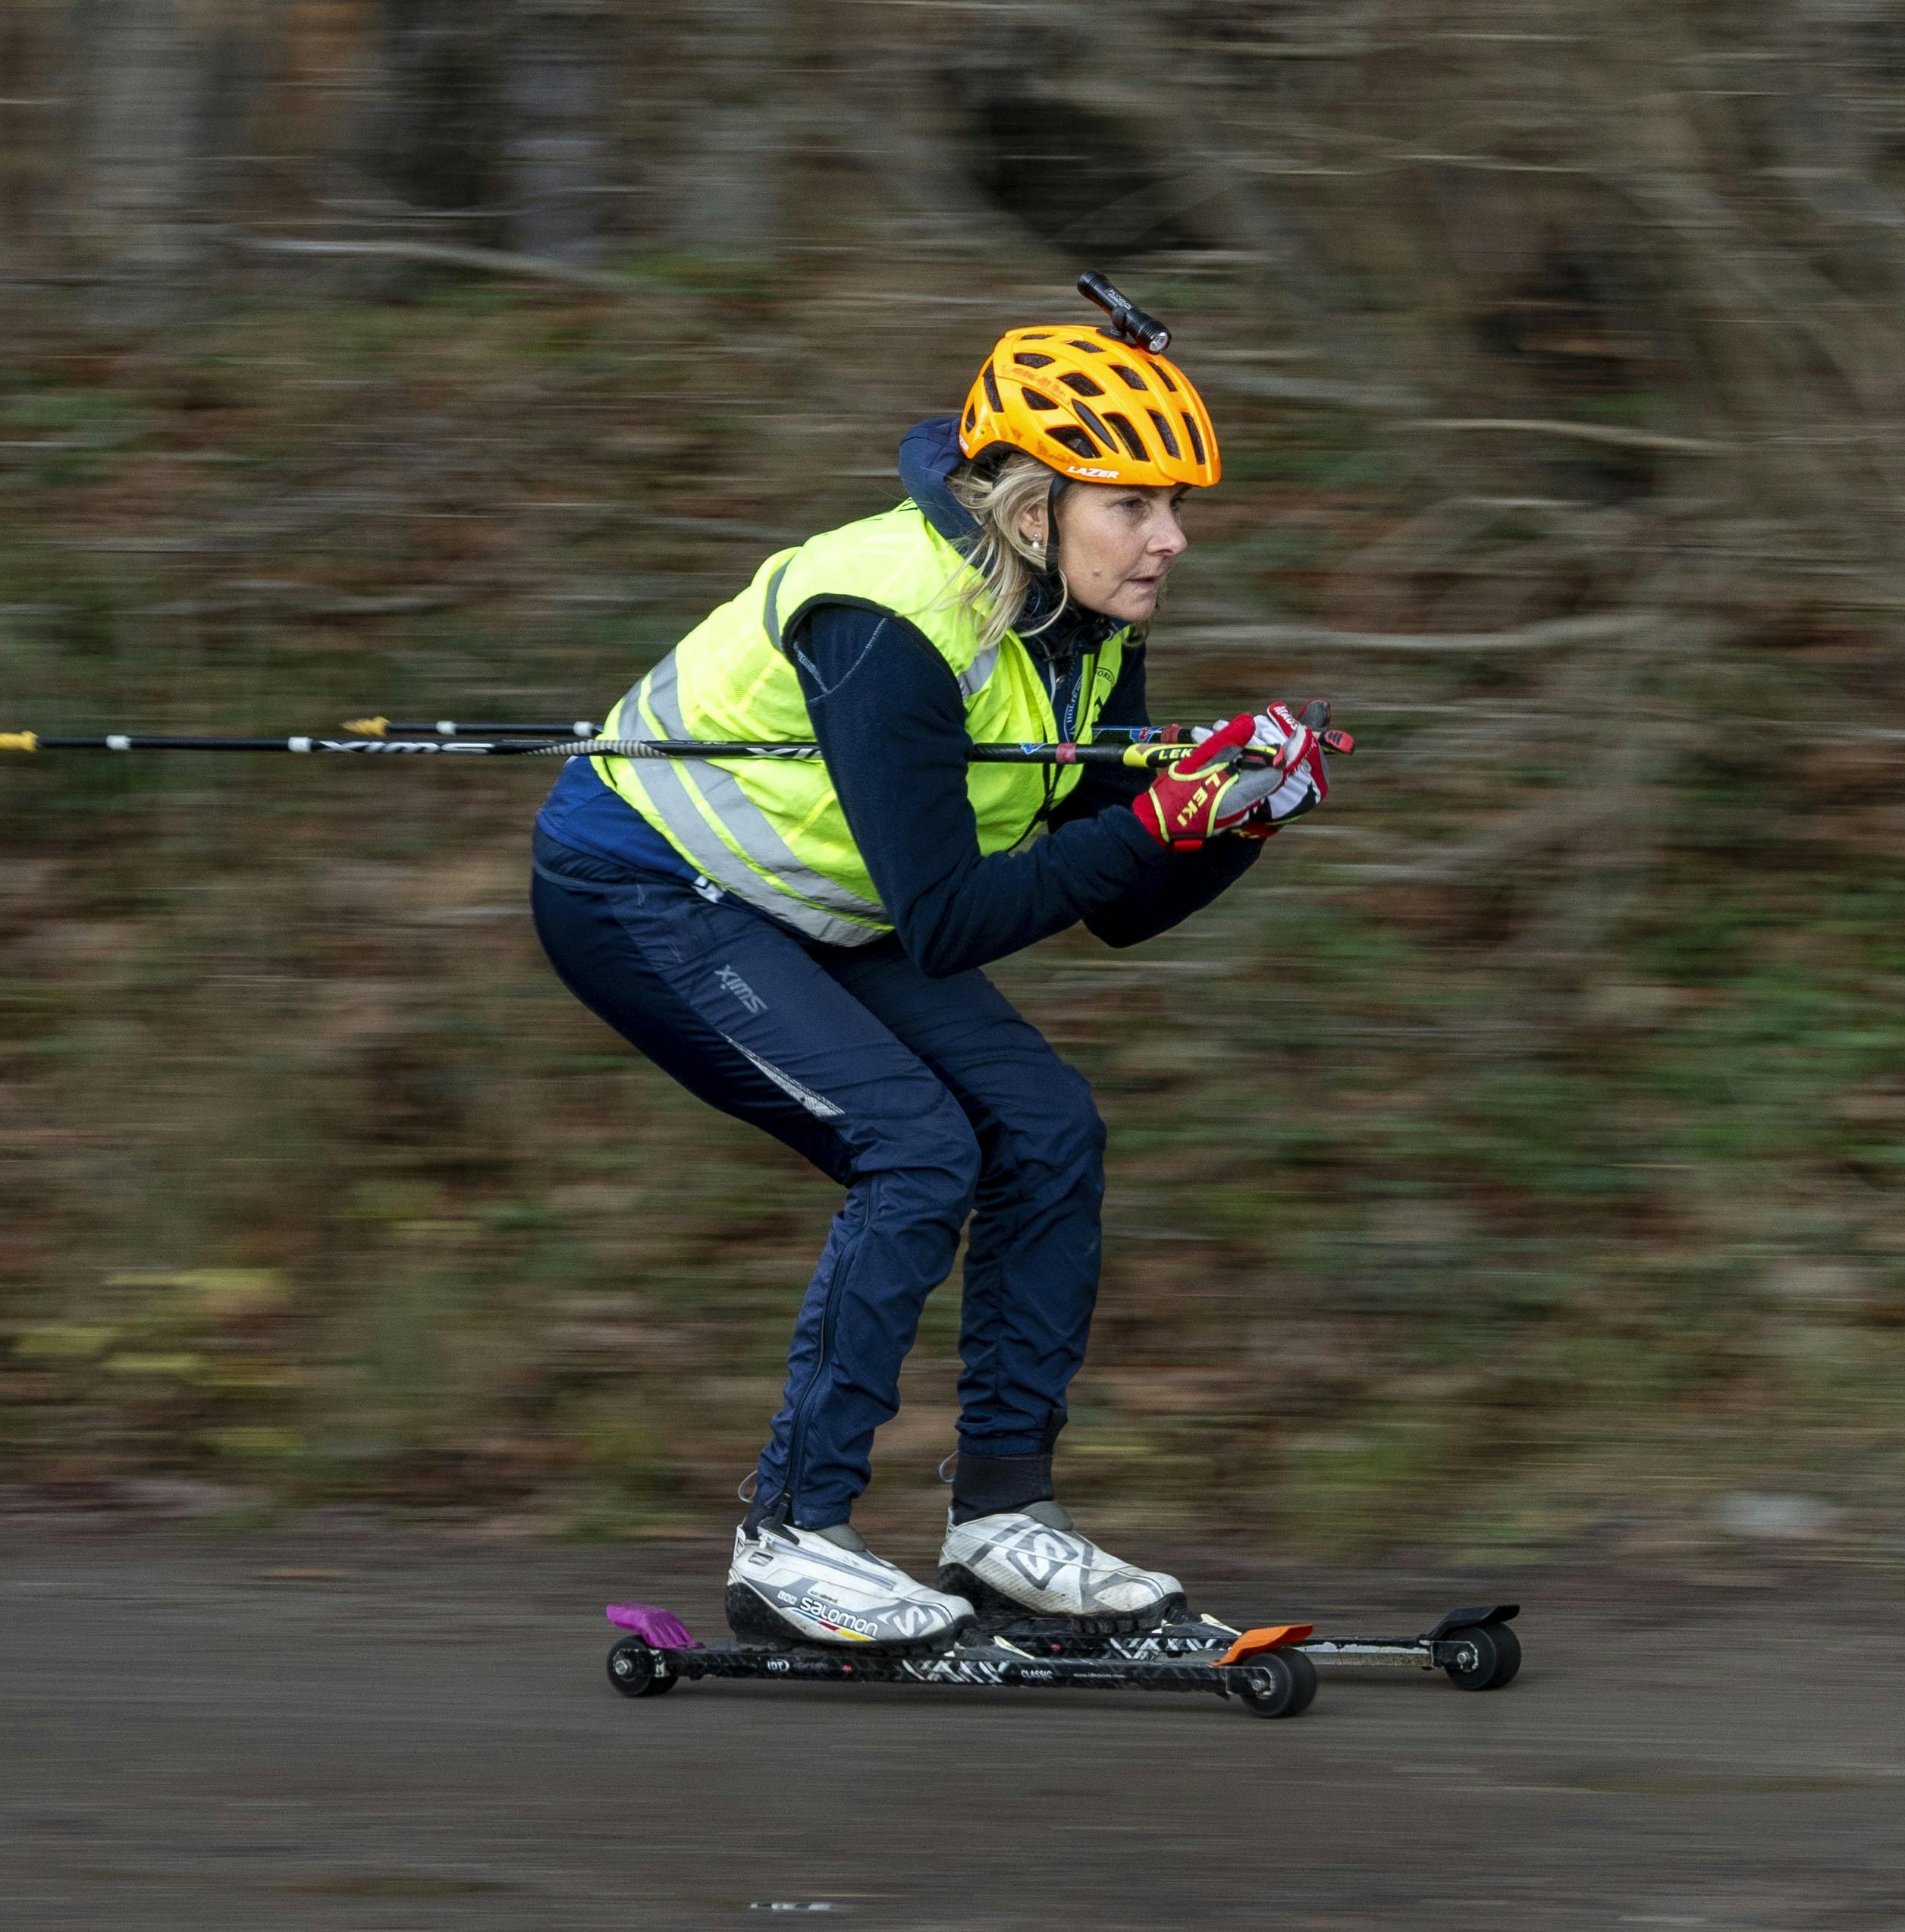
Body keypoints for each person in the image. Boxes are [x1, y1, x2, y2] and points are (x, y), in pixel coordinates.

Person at [527, 287, 1332, 1650]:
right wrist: (1159, 818)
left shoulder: (1086, 625)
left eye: (1177, 506)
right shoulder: (887, 620)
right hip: (646, 889)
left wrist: (1241, 814)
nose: (1173, 537)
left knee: (1047, 1125)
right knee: (915, 1146)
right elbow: (954, 919)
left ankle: (1002, 1522)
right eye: (1135, 505)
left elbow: (1120, 905)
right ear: (1032, 510)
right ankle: (790, 1536)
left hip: (818, 902)